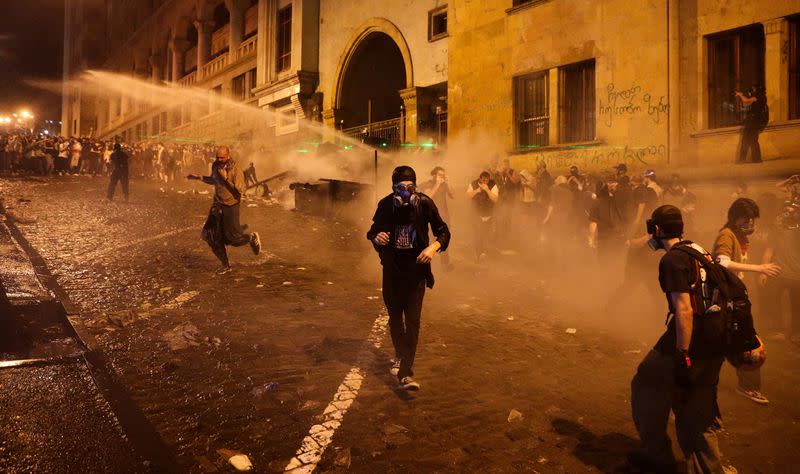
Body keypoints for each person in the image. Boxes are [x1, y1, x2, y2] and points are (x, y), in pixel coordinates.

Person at [630, 205, 732, 473]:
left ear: (658, 230)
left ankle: (659, 457)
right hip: (716, 338)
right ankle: (697, 465)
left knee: (648, 387)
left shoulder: (672, 260)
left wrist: (683, 356)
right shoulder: (697, 249)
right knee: (696, 407)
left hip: (693, 341)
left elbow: (684, 309)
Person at [366, 166, 450, 391]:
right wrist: (378, 237)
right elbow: (372, 231)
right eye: (399, 187)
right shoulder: (385, 205)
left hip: (416, 272)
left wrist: (433, 247)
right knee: (395, 318)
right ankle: (400, 355)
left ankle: (405, 372)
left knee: (412, 321)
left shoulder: (424, 203)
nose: (405, 192)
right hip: (392, 271)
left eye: (409, 187)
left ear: (415, 186)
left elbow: (444, 231)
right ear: (393, 188)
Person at [711, 198, 781, 405]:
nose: (750, 223)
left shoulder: (739, 236)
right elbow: (721, 262)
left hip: (734, 299)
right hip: (729, 301)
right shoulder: (727, 235)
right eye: (747, 218)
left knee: (727, 342)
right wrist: (760, 268)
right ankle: (747, 387)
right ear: (735, 217)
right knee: (746, 342)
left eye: (752, 219)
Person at [187, 146, 261, 274]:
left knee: (232, 239)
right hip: (217, 204)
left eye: (222, 157)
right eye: (217, 157)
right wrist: (199, 177)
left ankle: (251, 238)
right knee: (210, 235)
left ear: (228, 156)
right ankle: (225, 265)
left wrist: (226, 178)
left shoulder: (235, 168)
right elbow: (214, 180)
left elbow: (240, 190)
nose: (219, 160)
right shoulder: (215, 165)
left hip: (231, 205)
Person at [421, 166, 455, 271]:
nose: (442, 177)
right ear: (434, 175)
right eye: (440, 175)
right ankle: (424, 265)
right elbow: (428, 197)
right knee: (428, 241)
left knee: (444, 239)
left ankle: (445, 265)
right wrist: (437, 184)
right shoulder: (428, 184)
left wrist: (449, 183)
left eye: (443, 175)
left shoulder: (444, 184)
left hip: (443, 216)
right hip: (429, 217)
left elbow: (453, 195)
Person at [466, 171, 499, 260]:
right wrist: (478, 190)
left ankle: (483, 251)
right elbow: (468, 195)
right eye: (483, 180)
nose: (485, 182)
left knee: (485, 233)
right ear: (480, 179)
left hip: (488, 214)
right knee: (478, 234)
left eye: (487, 180)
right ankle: (479, 253)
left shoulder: (492, 184)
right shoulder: (473, 184)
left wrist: (487, 189)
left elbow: (495, 199)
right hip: (476, 214)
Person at [735, 85, 768, 164]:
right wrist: (742, 96)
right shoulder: (761, 97)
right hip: (754, 120)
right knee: (753, 140)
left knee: (746, 140)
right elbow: (746, 103)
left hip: (753, 121)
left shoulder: (760, 96)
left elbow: (746, 101)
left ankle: (743, 160)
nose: (753, 90)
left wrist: (740, 95)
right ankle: (756, 159)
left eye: (754, 88)